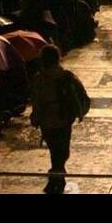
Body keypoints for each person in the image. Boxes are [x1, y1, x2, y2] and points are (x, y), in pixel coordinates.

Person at [28, 44, 90, 194]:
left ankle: (56, 178)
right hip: (63, 120)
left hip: (47, 121)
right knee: (61, 152)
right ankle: (56, 177)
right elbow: (82, 95)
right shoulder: (66, 76)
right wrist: (79, 112)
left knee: (55, 151)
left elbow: (35, 101)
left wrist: (35, 117)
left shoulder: (38, 79)